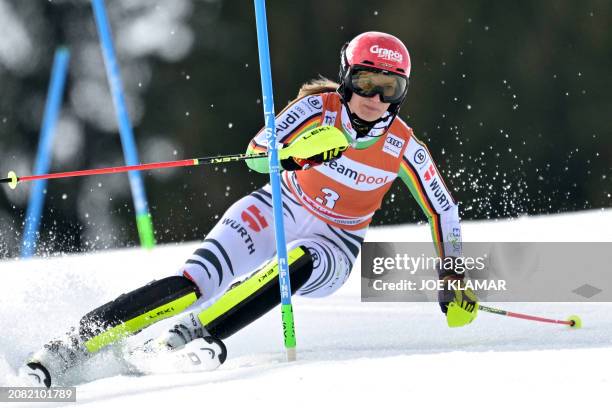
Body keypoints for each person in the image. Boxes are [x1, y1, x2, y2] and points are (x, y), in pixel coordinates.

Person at [23, 31, 477, 387]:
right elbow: (257, 153)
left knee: (300, 260)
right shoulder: (316, 108)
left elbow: (444, 211)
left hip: (335, 243)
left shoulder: (405, 147)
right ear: (346, 77)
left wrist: (453, 274)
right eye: (365, 82)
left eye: (388, 88)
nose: (374, 99)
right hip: (279, 206)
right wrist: (296, 154)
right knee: (193, 284)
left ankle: (197, 335)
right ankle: (72, 345)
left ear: (401, 93)